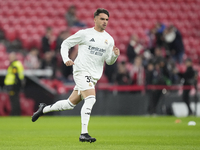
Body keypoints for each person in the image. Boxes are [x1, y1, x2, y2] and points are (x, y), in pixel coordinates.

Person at [32, 8, 120, 143]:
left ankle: (44, 109)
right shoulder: (85, 34)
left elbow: (108, 61)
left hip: (93, 76)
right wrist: (65, 58)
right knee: (91, 99)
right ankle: (83, 133)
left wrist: (114, 55)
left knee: (69, 104)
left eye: (107, 19)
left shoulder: (109, 39)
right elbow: (66, 43)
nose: (105, 22)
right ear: (95, 19)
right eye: (102, 19)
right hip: (81, 71)